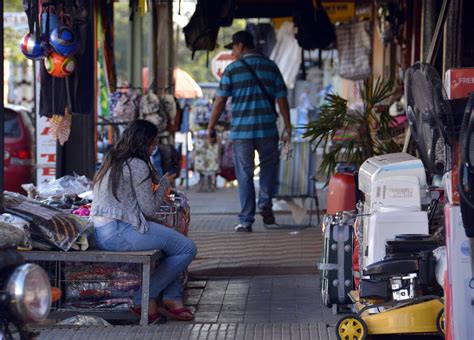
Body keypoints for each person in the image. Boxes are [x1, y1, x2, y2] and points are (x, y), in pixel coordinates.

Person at [91, 119, 197, 322]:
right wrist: (165, 182)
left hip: (103, 231)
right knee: (187, 249)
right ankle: (143, 298)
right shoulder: (137, 165)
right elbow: (149, 207)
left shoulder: (113, 159)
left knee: (171, 243)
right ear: (145, 142)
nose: (154, 148)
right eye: (153, 143)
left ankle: (172, 298)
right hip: (119, 232)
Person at [207, 31, 292, 232]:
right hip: (267, 130)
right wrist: (287, 126)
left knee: (244, 174)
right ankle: (265, 204)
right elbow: (282, 99)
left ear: (241, 46)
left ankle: (246, 220)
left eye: (233, 48)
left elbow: (220, 101)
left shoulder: (233, 70)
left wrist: (211, 126)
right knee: (268, 169)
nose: (233, 53)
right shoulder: (271, 67)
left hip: (242, 134)